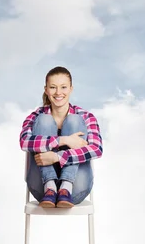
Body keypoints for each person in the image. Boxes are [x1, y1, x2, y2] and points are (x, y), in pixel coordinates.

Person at [19, 66, 103, 208]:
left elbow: (97, 149)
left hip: (76, 186)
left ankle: (65, 187)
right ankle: (50, 187)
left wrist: (58, 157)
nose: (58, 93)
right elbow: (24, 142)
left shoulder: (86, 116)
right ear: (46, 90)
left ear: (71, 89)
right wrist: (64, 140)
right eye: (53, 87)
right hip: (41, 186)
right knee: (44, 119)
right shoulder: (35, 117)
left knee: (74, 121)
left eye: (63, 87)